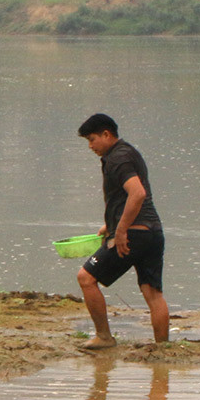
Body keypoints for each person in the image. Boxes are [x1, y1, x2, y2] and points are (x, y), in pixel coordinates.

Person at [75, 113, 169, 348]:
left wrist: (120, 232)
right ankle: (163, 348)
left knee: (86, 278)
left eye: (92, 139)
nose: (90, 146)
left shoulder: (118, 158)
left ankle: (104, 337)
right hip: (153, 233)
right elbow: (125, 196)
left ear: (107, 135)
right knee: (153, 294)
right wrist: (112, 223)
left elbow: (137, 193)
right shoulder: (128, 152)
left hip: (133, 234)